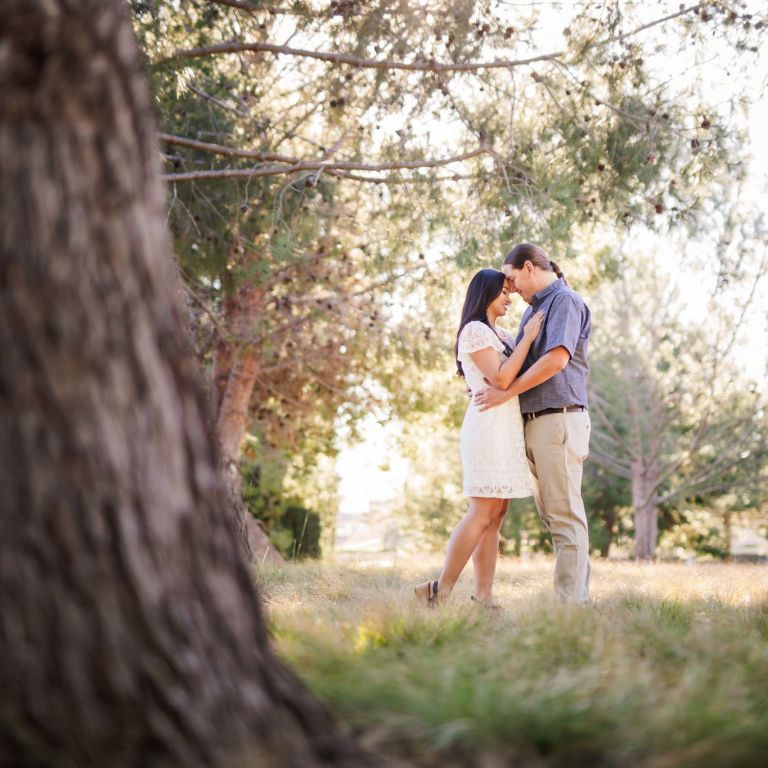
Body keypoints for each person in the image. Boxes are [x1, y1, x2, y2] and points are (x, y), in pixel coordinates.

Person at [414, 269, 543, 607]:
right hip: (487, 428)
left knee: (496, 514)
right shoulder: (474, 331)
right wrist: (528, 338)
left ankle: (483, 598)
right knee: (482, 509)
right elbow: (501, 378)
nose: (508, 297)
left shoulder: (499, 334)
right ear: (484, 293)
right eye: (502, 290)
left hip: (505, 428)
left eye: (509, 292)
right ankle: (439, 591)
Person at [475, 243, 592, 605]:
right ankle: (574, 601)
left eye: (511, 279)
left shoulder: (564, 302)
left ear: (529, 268)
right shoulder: (534, 312)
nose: (510, 289)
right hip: (537, 423)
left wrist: (507, 394)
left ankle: (570, 608)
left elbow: (556, 360)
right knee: (556, 517)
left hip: (558, 420)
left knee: (565, 517)